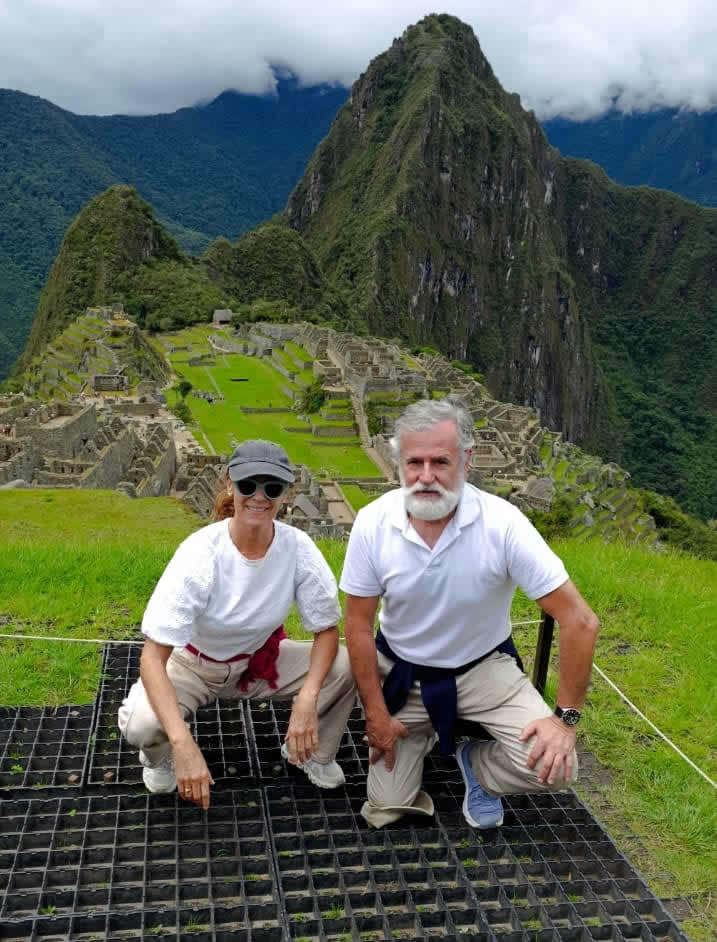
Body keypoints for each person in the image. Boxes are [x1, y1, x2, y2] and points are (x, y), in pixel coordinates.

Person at [340, 398, 600, 829]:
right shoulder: (372, 523)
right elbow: (357, 624)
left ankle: (476, 765)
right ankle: (417, 738)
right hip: (403, 670)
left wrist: (565, 721)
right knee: (386, 808)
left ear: (467, 460)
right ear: (398, 464)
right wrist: (375, 713)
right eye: (414, 462)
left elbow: (580, 621)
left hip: (483, 668)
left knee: (555, 768)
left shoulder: (503, 524)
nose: (426, 477)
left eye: (440, 462)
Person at [119, 439, 356, 809]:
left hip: (257, 660)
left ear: (285, 494)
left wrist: (307, 697)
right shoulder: (201, 553)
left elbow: (326, 629)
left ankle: (311, 751)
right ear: (229, 484)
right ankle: (160, 755)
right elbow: (152, 658)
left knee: (344, 665)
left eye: (271, 488)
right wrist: (183, 745)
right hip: (192, 664)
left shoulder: (298, 548)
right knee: (142, 724)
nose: (259, 497)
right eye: (248, 485)